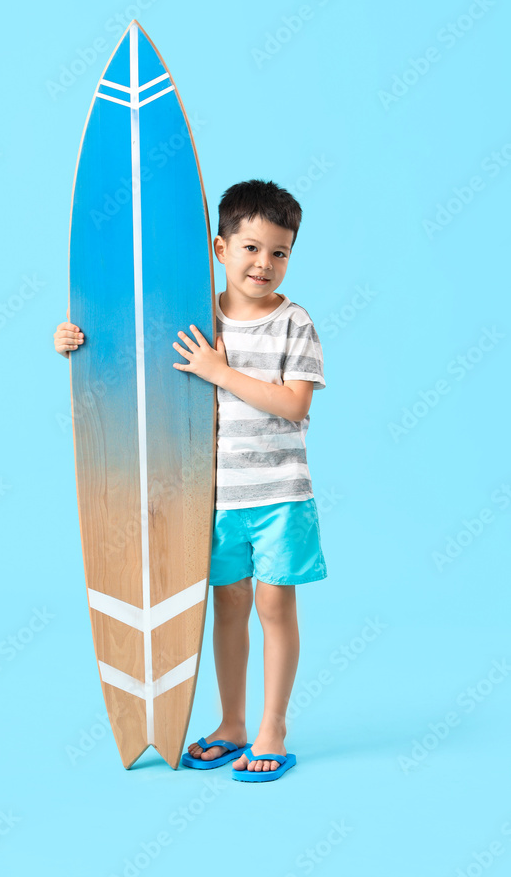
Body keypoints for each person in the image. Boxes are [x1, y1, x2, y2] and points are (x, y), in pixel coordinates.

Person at [53, 179, 327, 782]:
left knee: (274, 606)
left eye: (279, 252)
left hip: (279, 496)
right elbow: (132, 349)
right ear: (220, 247)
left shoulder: (295, 323)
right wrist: (74, 341)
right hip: (212, 498)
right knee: (226, 607)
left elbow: (293, 405)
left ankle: (271, 728)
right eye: (251, 248)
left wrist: (219, 372)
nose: (264, 263)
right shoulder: (193, 314)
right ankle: (231, 724)